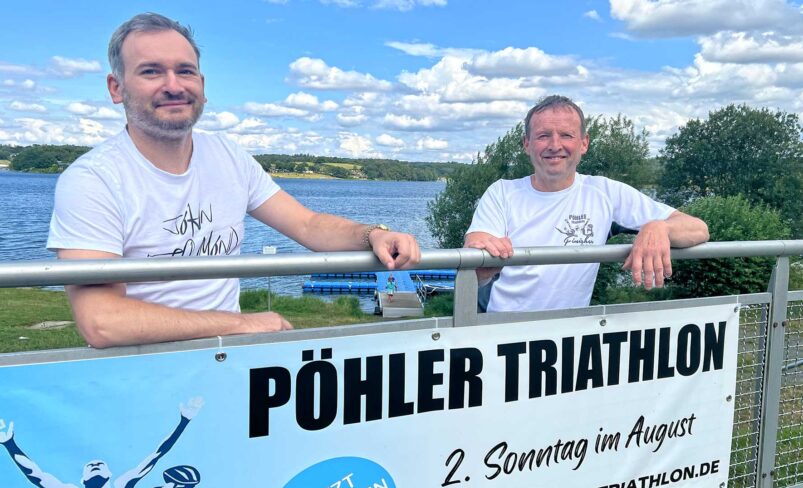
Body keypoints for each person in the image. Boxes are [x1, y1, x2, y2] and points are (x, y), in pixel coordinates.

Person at [46, 13, 420, 348]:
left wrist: (373, 234)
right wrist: (240, 324)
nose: (173, 85)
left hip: (227, 363)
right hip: (144, 371)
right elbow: (102, 322)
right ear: (116, 88)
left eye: (185, 70)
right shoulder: (93, 180)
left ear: (202, 85)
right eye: (151, 71)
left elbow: (308, 225)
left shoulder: (227, 155)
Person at [465, 95, 709, 313]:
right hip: (500, 336)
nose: (554, 145)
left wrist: (660, 228)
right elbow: (475, 259)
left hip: (571, 340)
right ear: (526, 144)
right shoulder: (502, 192)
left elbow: (698, 229)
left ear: (584, 143)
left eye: (566, 135)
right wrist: (482, 265)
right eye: (542, 136)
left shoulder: (604, 191)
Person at [0, 398, 203, 488]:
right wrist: (9, 444)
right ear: (82, 478)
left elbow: (156, 456)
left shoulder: (123, 485)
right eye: (91, 466)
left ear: (109, 474)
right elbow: (36, 475)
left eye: (99, 465)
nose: (95, 464)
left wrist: (184, 421)